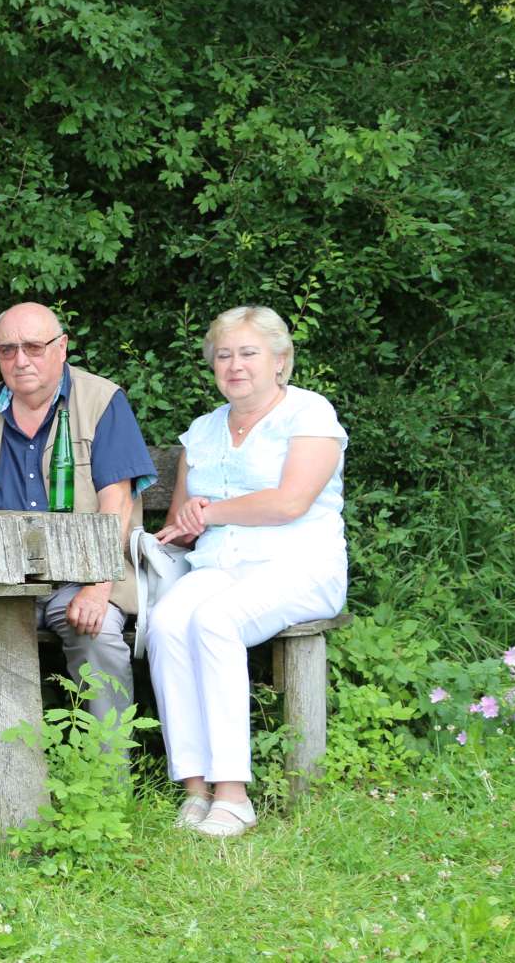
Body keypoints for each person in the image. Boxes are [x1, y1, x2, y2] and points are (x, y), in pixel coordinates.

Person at [151, 306, 348, 838]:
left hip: (298, 565)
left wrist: (210, 512)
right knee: (168, 620)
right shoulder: (203, 430)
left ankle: (234, 795)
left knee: (216, 620)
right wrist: (182, 526)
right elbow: (182, 523)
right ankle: (194, 788)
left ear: (280, 361)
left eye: (248, 353)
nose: (235, 365)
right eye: (224, 355)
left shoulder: (309, 414)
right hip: (221, 564)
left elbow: (289, 503)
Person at [0, 303, 156, 724]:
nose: (20, 360)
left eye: (34, 347)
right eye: (8, 350)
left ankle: (109, 778)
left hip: (79, 577)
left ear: (62, 347)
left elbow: (118, 502)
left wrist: (97, 585)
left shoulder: (102, 400)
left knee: (99, 637)